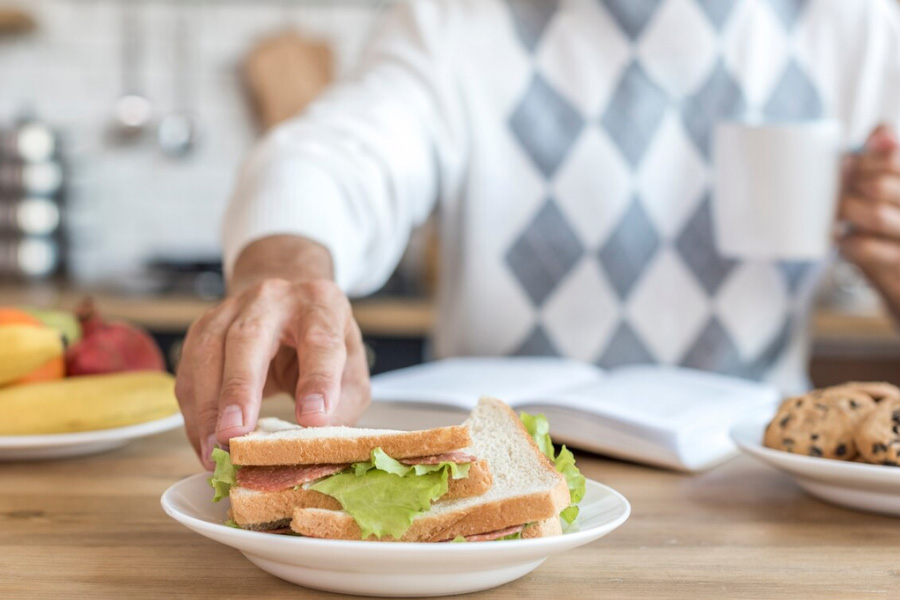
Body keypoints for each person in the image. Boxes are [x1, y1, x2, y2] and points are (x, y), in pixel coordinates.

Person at [176, 0, 900, 468]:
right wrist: (287, 261)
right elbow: (333, 152)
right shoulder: (452, 20)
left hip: (758, 472)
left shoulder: (857, 22)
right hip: (477, 465)